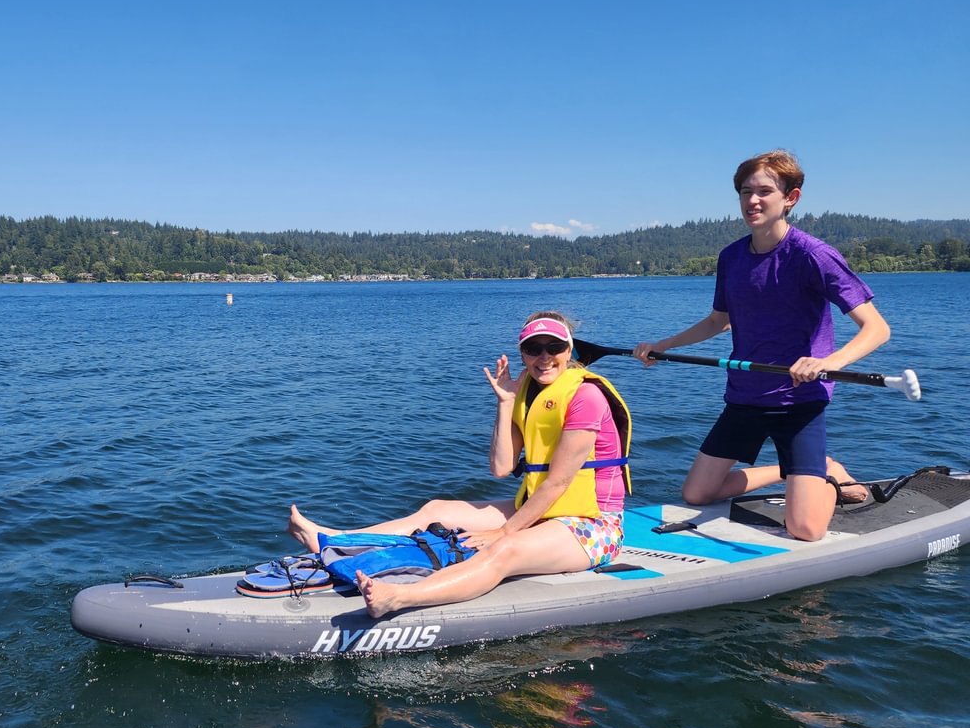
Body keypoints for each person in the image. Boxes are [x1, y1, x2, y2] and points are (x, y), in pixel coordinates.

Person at [286, 311, 632, 618]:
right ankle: (332, 539)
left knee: (505, 549)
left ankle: (399, 597)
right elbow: (501, 467)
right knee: (436, 509)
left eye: (553, 348)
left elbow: (557, 484)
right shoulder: (526, 390)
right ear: (523, 353)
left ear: (568, 350)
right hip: (539, 509)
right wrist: (506, 402)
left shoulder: (587, 396)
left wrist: (504, 531)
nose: (544, 357)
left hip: (593, 525)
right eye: (533, 349)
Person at [634, 150, 890, 541]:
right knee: (697, 493)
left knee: (804, 529)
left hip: (799, 402)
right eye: (745, 192)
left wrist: (826, 361)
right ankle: (815, 468)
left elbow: (876, 328)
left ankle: (826, 478)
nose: (752, 201)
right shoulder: (732, 257)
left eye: (764, 191)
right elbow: (720, 321)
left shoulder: (814, 256)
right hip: (745, 398)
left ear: (791, 197)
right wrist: (664, 345)